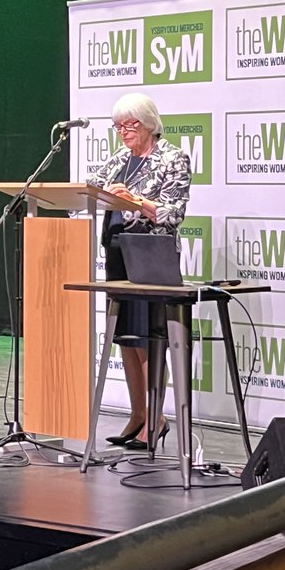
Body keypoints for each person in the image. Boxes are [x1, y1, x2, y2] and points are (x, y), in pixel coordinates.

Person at [88, 92, 191, 450]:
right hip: (117, 251)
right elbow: (92, 188)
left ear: (148, 123)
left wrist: (137, 202)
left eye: (129, 125)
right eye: (118, 126)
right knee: (126, 340)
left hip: (150, 255)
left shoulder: (172, 158)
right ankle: (137, 414)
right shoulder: (120, 159)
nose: (123, 132)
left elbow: (173, 213)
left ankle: (156, 417)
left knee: (148, 338)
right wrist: (103, 192)